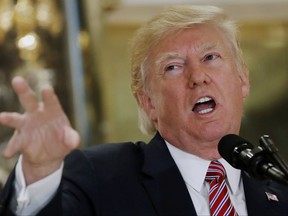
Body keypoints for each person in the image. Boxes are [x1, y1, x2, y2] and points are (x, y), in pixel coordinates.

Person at [0, 4, 287, 216]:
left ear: (243, 79)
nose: (198, 76)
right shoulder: (101, 176)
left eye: (210, 57)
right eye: (173, 66)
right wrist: (39, 173)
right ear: (148, 102)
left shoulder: (278, 188)